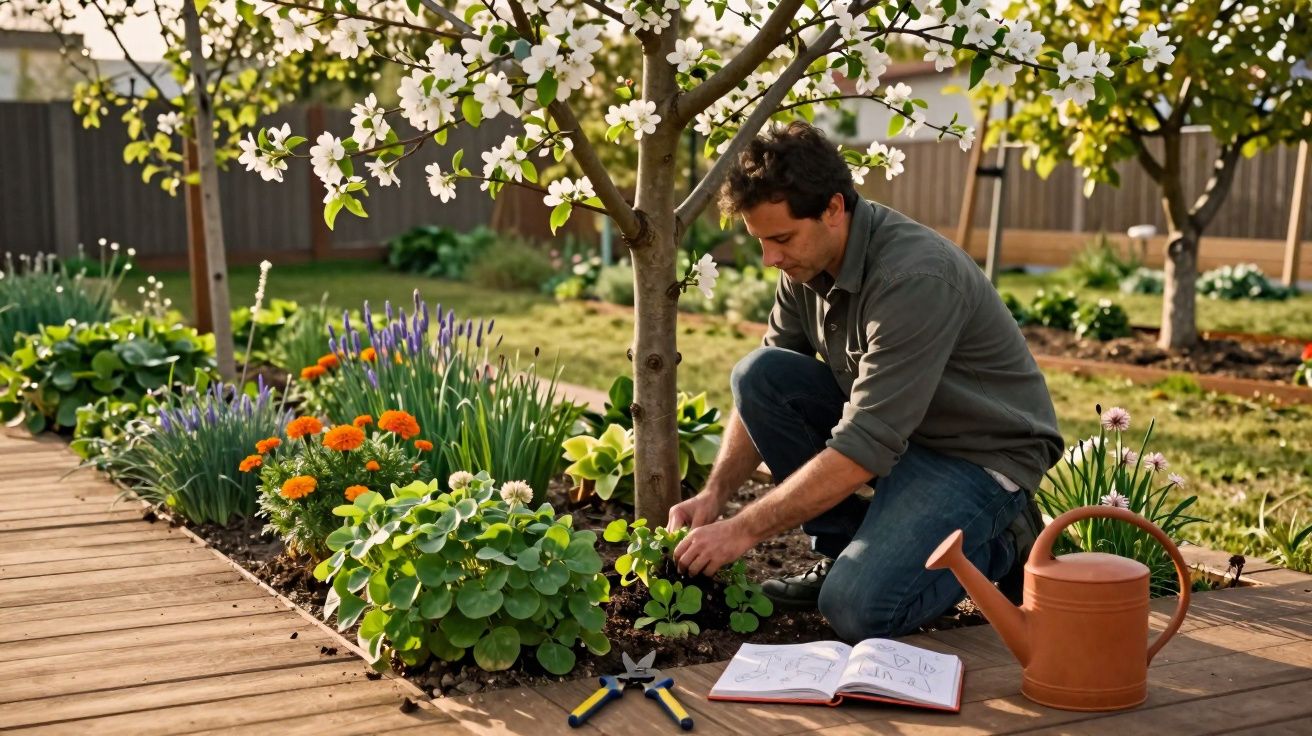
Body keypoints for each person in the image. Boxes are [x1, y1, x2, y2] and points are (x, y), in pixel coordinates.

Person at [667, 121, 1063, 642]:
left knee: (858, 610)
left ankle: (1000, 541)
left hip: (977, 455)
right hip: (900, 440)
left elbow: (864, 446)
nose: (771, 259)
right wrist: (716, 494)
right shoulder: (803, 269)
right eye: (761, 241)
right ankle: (847, 551)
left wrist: (742, 530)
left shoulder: (912, 279)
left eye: (781, 238)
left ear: (833, 208)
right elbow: (768, 374)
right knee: (760, 375)